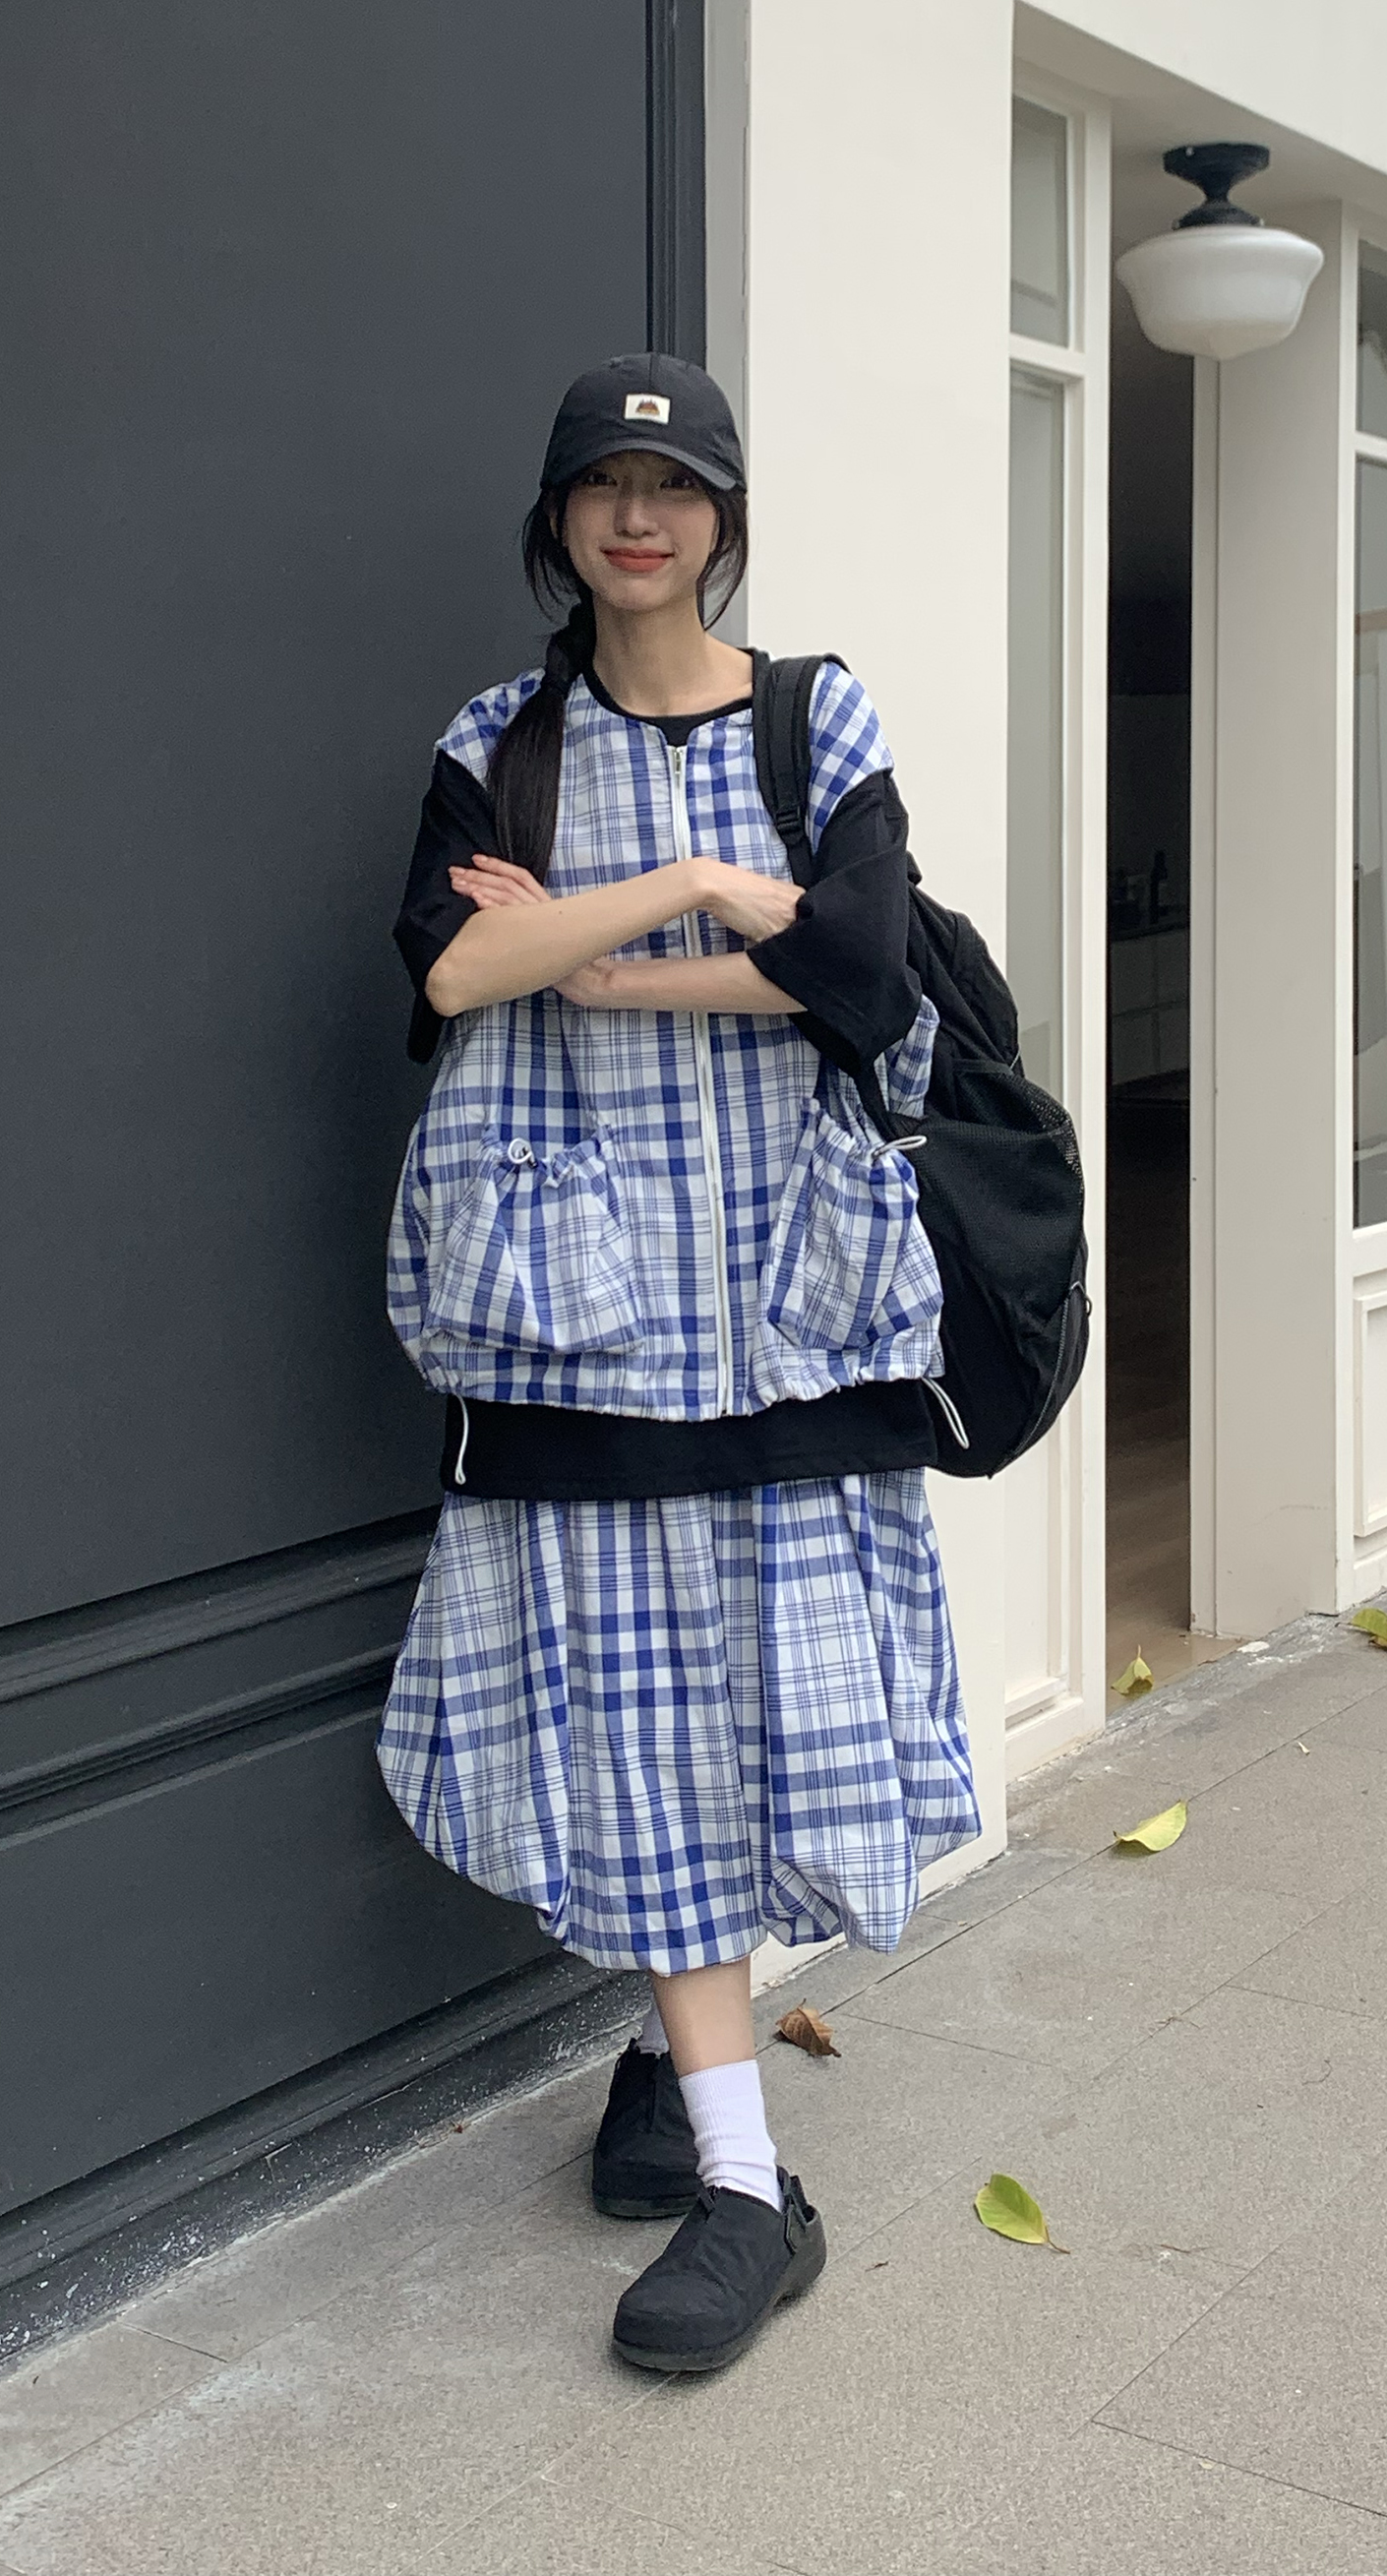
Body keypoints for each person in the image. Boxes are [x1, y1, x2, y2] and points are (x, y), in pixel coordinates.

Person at [380, 353, 978, 2374]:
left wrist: (597, 963)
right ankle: (742, 2171)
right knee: (637, 1725)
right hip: (582, 1327)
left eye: (677, 486)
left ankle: (682, 2090)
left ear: (722, 517)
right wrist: (707, 894)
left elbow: (865, 968)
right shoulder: (499, 742)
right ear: (559, 517)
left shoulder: (815, 717)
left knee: (763, 1707)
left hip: (792, 1310)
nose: (639, 519)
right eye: (603, 486)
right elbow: (450, 965)